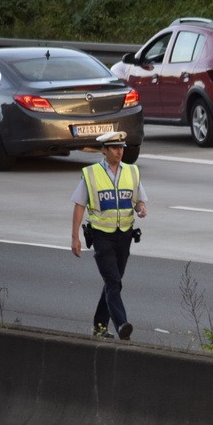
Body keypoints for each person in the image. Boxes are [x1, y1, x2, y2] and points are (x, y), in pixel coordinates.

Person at [71, 131, 148, 340]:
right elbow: (79, 205)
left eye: (121, 147)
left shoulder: (132, 171)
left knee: (113, 282)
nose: (119, 151)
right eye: (115, 148)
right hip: (101, 236)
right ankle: (122, 324)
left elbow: (139, 200)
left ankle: (99, 326)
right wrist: (75, 237)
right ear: (104, 150)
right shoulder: (91, 174)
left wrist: (141, 208)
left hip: (124, 235)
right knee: (114, 282)